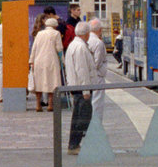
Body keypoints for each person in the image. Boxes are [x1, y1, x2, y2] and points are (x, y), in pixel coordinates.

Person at [63, 20, 97, 154]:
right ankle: (74, 145)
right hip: (81, 88)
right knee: (82, 118)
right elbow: (82, 70)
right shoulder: (80, 48)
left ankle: (74, 144)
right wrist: (86, 90)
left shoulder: (73, 45)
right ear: (87, 33)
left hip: (76, 86)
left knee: (78, 117)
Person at [29, 17, 63, 111]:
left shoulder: (39, 33)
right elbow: (59, 48)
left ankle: (38, 105)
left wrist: (31, 60)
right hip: (51, 60)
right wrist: (63, 61)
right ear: (55, 26)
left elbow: (34, 48)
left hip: (38, 60)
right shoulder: (56, 33)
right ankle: (50, 105)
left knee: (39, 82)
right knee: (52, 82)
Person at [86, 17, 108, 121]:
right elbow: (97, 62)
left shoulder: (86, 40)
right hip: (97, 76)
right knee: (97, 103)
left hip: (88, 75)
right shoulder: (98, 43)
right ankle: (96, 125)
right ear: (99, 30)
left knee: (91, 101)